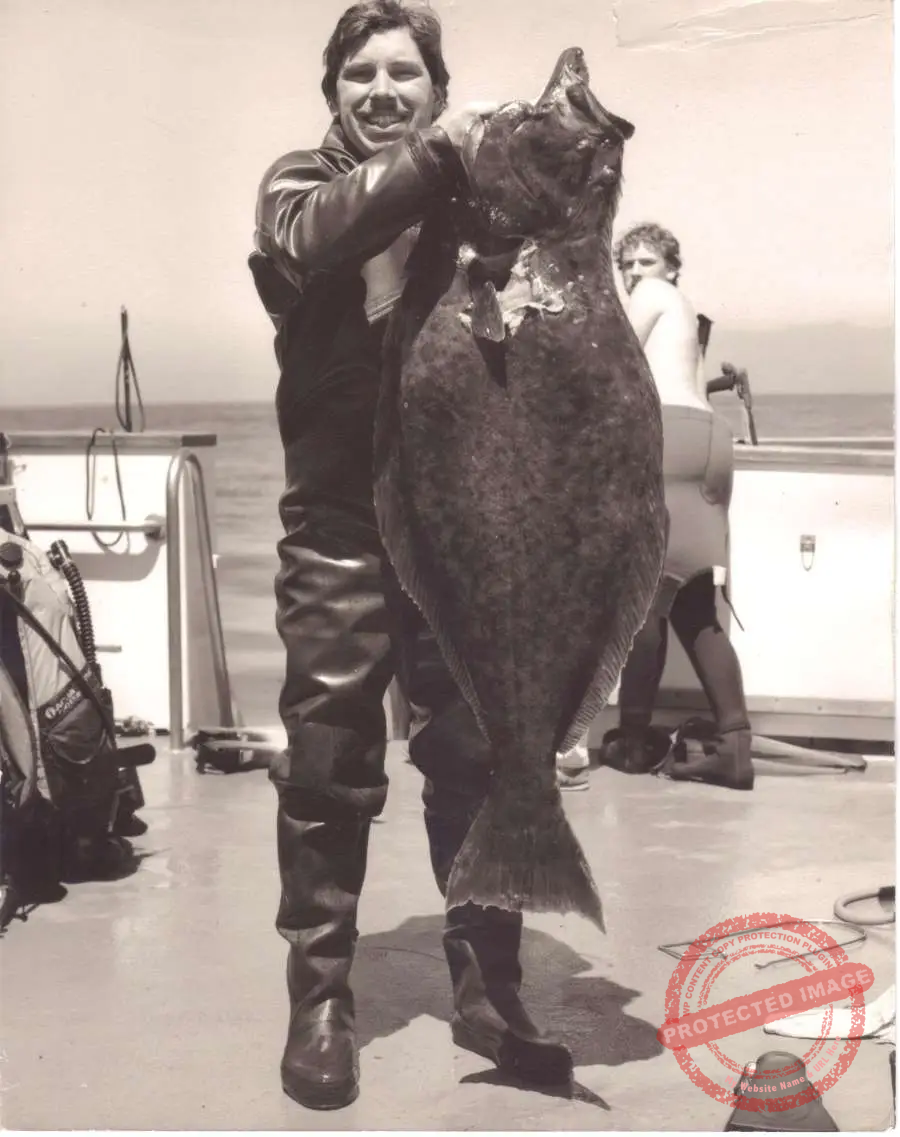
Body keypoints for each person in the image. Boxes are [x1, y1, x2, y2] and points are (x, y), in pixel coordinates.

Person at [248, 0, 574, 1112]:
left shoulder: (480, 207)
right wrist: (442, 156)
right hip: (338, 525)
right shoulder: (297, 185)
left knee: (477, 754)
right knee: (328, 759)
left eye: (406, 74)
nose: (382, 92)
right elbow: (315, 238)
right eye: (361, 75)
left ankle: (489, 984)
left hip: (460, 529)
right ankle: (321, 999)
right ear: (332, 92)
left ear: (439, 89)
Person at [598, 223, 754, 791]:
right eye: (627, 265)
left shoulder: (650, 296)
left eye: (646, 261)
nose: (633, 273)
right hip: (708, 442)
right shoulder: (685, 312)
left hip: (669, 436)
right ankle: (734, 746)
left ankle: (634, 740)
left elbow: (608, 361)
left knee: (645, 596)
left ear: (669, 267)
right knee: (692, 602)